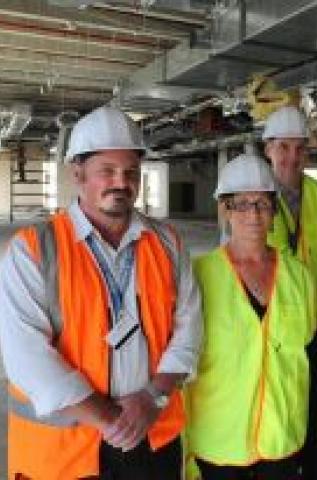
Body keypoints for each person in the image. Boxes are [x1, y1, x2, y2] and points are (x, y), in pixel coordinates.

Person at [0, 106, 203, 479]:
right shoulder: (34, 249)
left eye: (131, 173)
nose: (120, 182)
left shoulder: (167, 243)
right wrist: (113, 421)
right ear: (78, 173)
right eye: (106, 171)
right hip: (65, 456)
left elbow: (188, 329)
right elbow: (27, 357)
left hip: (152, 441)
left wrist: (152, 398)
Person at [185, 153, 315, 480]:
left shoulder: (299, 276)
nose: (253, 215)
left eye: (262, 204)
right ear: (224, 210)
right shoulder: (198, 276)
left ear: (274, 212)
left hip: (282, 434)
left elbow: (305, 345)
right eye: (241, 204)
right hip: (220, 438)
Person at [263, 105, 317, 479]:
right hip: (274, 333)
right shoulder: (252, 199)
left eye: (299, 148)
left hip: (316, 329)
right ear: (268, 150)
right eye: (283, 147)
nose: (292, 157)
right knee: (281, 419)